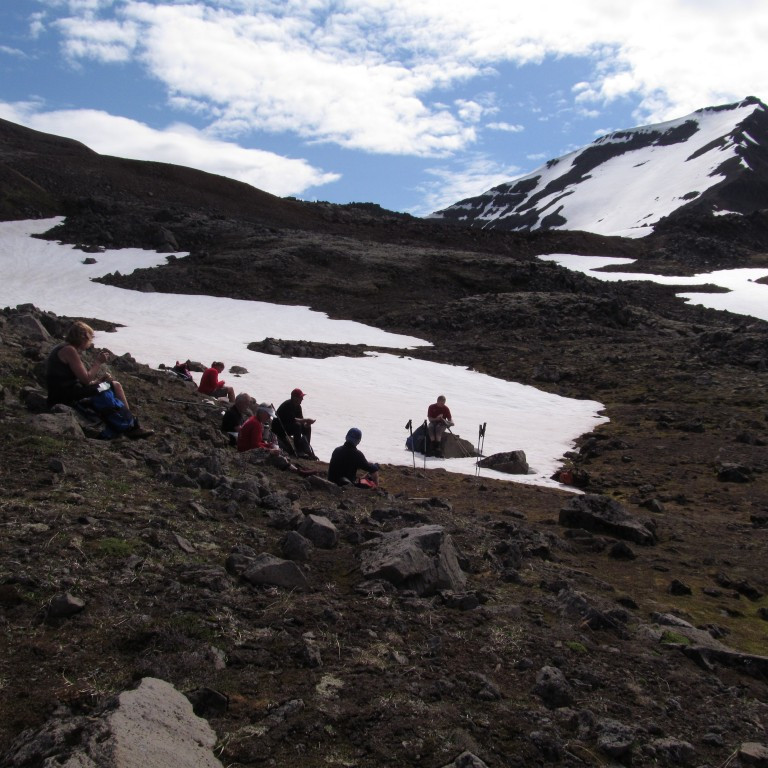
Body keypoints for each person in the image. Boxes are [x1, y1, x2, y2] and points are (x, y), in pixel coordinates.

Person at [45, 320, 152, 439]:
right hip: (65, 395)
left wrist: (98, 381)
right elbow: (85, 379)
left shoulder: (65, 348)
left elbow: (80, 380)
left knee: (114, 384)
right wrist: (98, 362)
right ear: (84, 337)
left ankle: (129, 421)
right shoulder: (69, 350)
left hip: (69, 390)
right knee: (107, 388)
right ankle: (129, 426)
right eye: (90, 338)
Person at [274, 388, 316, 458]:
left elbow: (301, 420)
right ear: (294, 398)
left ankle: (306, 448)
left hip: (288, 426)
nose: (302, 399)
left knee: (307, 427)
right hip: (280, 428)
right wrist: (306, 420)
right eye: (300, 397)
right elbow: (293, 420)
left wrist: (306, 424)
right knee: (297, 426)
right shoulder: (287, 405)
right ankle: (298, 450)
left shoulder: (298, 407)